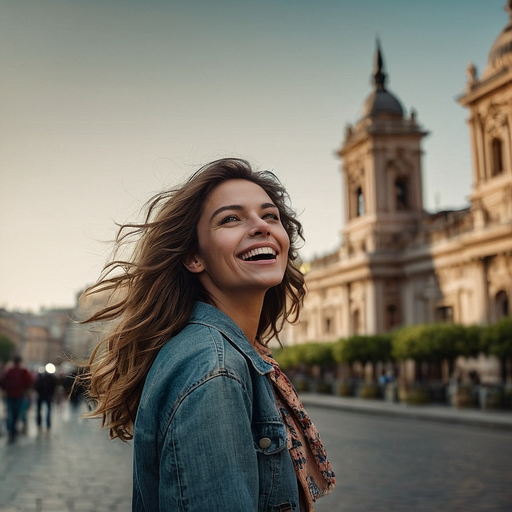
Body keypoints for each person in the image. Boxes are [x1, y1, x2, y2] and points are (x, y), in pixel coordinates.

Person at [81, 158, 335, 511]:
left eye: (270, 215)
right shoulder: (214, 369)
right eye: (231, 218)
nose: (261, 226)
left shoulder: (219, 352)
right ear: (194, 257)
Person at [0, 355, 33, 443]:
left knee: (10, 412)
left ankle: (11, 430)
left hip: (9, 395)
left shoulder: (9, 370)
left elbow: (2, 381)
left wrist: (5, 390)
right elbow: (29, 382)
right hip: (19, 395)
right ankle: (13, 430)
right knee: (16, 413)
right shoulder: (23, 371)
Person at [34, 369, 57, 433]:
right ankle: (47, 425)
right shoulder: (50, 378)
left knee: (41, 410)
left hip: (42, 396)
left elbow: (35, 386)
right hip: (47, 396)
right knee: (47, 411)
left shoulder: (40, 378)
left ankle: (40, 424)